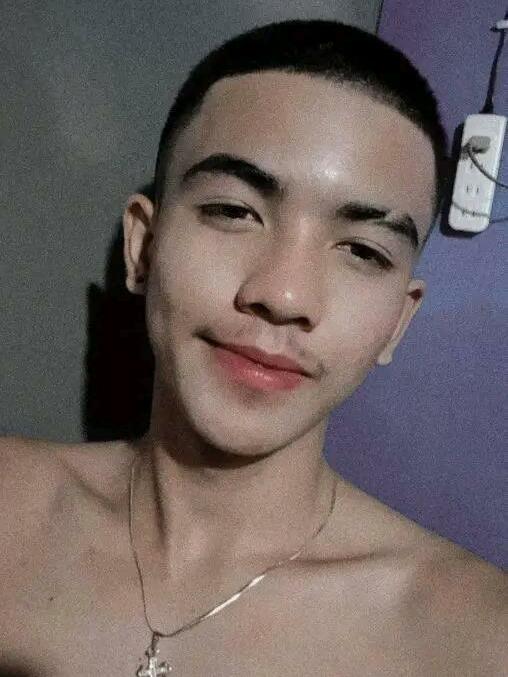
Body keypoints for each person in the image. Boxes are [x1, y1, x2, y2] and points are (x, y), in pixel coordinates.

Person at [0, 19, 505, 677]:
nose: (285, 295)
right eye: (236, 212)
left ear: (397, 323)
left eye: (362, 250)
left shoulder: (476, 640)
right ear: (143, 247)